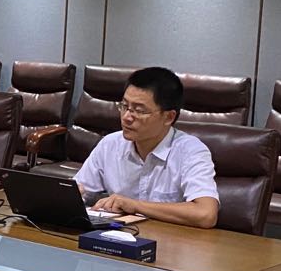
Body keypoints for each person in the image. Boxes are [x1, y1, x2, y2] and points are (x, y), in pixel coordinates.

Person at [75, 66, 219, 228]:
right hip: (118, 236)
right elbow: (79, 190)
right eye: (124, 106)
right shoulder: (110, 144)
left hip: (170, 240)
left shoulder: (191, 151)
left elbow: (205, 214)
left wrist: (135, 205)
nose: (127, 117)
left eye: (139, 110)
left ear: (169, 117)